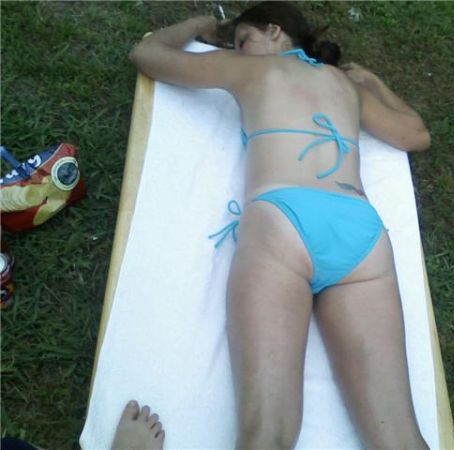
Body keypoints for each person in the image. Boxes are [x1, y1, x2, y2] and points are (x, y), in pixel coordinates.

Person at [127, 2, 430, 448]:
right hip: (360, 233)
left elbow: (147, 54)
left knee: (267, 434)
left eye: (244, 40)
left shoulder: (251, 71)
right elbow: (416, 135)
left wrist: (197, 25)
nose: (239, 51)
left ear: (275, 32)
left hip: (282, 222)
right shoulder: (344, 85)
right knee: (401, 438)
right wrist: (374, 82)